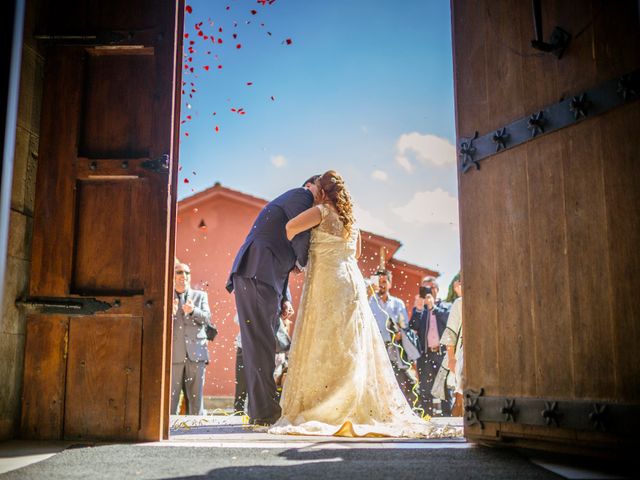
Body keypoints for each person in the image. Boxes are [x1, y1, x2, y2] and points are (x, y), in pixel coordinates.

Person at [269, 170, 457, 438]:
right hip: (351, 283)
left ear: (322, 192)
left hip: (328, 282)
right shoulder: (351, 220)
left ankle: (326, 402)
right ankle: (352, 399)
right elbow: (356, 253)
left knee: (324, 341)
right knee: (349, 343)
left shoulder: (321, 211)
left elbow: (289, 228)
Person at [226, 176, 321, 425]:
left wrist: (284, 298)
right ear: (310, 184)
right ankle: (264, 413)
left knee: (263, 343)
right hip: (257, 270)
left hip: (262, 273)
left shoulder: (297, 200)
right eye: (321, 187)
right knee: (259, 344)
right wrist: (305, 262)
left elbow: (282, 250)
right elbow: (298, 237)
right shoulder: (303, 195)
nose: (322, 194)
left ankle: (263, 410)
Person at [368, 269, 418, 405]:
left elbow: (404, 326)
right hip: (376, 351)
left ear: (390, 284)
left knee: (407, 384)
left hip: (395, 352)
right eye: (379, 282)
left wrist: (399, 333)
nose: (382, 285)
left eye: (384, 281)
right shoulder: (369, 302)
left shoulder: (398, 303)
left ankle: (409, 410)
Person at [171, 262, 212, 415]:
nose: (184, 276)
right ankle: (169, 431)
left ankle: (197, 430)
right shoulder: (166, 296)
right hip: (174, 354)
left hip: (197, 353)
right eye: (179, 272)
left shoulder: (200, 296)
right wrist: (169, 313)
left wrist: (193, 310)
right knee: (171, 399)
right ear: (173, 276)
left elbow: (207, 319)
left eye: (187, 273)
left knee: (196, 400)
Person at [409, 276, 452, 417]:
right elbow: (412, 326)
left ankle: (448, 422)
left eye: (431, 287)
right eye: (425, 288)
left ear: (437, 290)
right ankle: (426, 421)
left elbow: (449, 322)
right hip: (425, 356)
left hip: (442, 354)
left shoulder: (445, 306)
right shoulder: (420, 309)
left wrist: (433, 307)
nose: (428, 290)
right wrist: (419, 308)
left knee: (445, 390)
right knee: (425, 391)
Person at [431, 273, 463, 416]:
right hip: (463, 353)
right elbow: (451, 332)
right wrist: (451, 357)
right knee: (460, 396)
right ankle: (457, 431)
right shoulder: (459, 303)